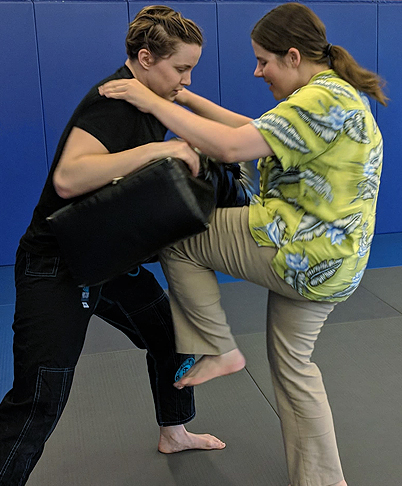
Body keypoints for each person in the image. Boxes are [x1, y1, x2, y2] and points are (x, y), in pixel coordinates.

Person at [98, 3, 387, 485]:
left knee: (181, 240)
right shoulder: (332, 94)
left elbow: (230, 149)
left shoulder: (323, 101)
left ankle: (216, 348)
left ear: (293, 56)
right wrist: (184, 99)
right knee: (295, 370)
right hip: (338, 267)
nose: (257, 71)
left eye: (263, 61)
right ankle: (322, 481)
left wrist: (154, 102)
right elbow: (245, 129)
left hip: (301, 250)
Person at [0, 6, 233, 485]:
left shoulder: (148, 98)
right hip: (58, 264)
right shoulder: (113, 103)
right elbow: (69, 178)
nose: (186, 81)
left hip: (106, 257)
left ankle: (174, 430)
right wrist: (160, 149)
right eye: (181, 69)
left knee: (171, 339)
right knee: (42, 394)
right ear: (145, 59)